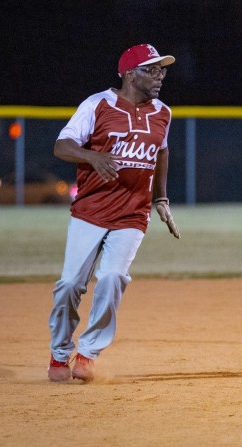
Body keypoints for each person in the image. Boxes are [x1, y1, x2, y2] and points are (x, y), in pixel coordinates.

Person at [47, 43, 181, 382]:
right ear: (129, 74)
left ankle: (88, 353)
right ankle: (59, 353)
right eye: (151, 69)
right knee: (69, 286)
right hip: (90, 211)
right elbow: (62, 146)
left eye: (162, 69)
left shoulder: (163, 112)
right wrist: (92, 157)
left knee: (111, 279)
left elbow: (161, 152)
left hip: (132, 215)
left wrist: (161, 199)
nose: (159, 75)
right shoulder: (98, 104)